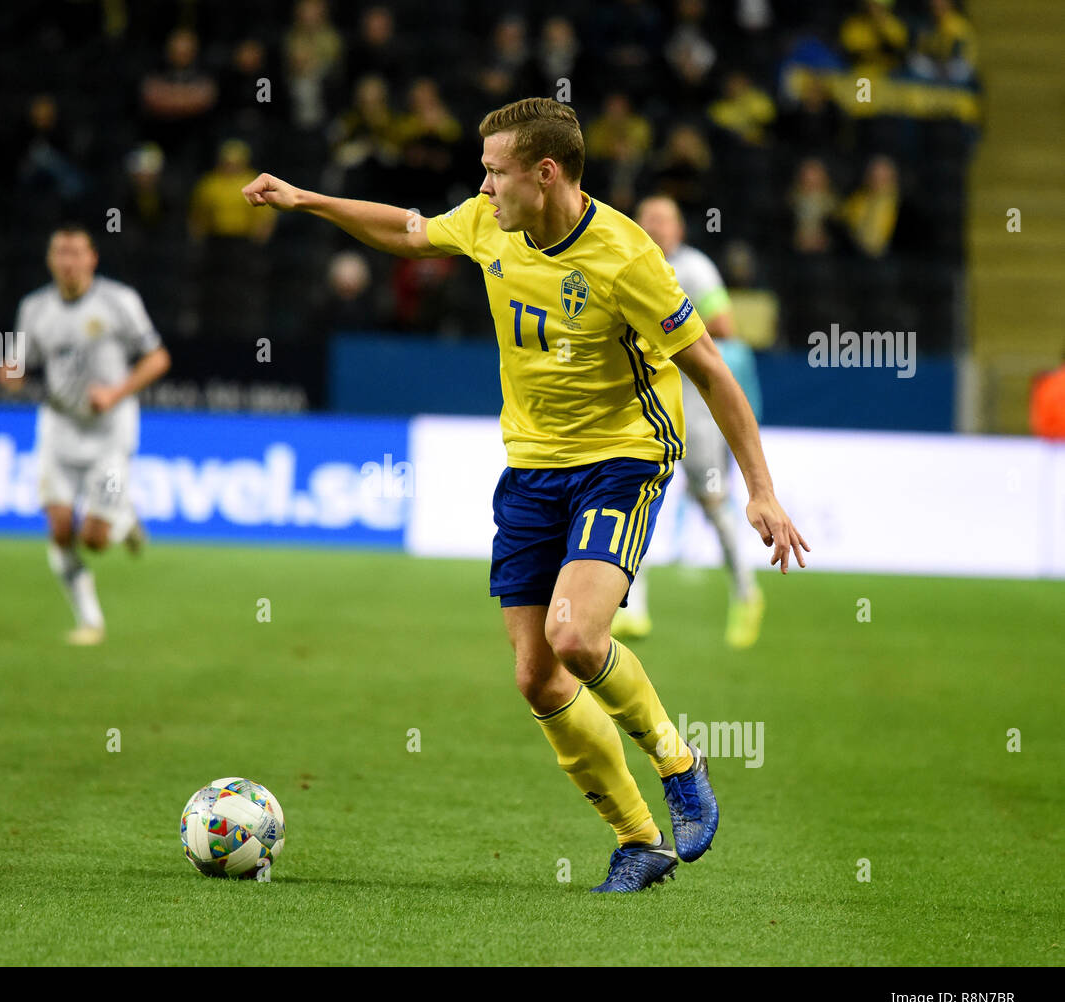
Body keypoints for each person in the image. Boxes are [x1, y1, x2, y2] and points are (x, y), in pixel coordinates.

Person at [243, 98, 809, 892]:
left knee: (576, 638)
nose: (482, 187)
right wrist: (307, 199)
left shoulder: (627, 256)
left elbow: (711, 370)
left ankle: (678, 762)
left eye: (495, 172)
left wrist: (761, 490)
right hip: (532, 469)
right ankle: (640, 841)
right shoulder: (489, 223)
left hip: (623, 457)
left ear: (545, 174)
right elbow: (407, 232)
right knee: (538, 677)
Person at [0, 225, 171, 645]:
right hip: (59, 426)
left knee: (93, 539)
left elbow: (157, 359)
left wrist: (115, 392)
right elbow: (18, 363)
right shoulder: (35, 307)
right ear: (50, 260)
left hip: (111, 428)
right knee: (59, 528)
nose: (68, 261)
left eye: (76, 253)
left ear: (92, 259)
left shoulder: (119, 301)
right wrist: (10, 373)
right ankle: (90, 620)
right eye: (60, 252)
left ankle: (124, 517)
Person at [612, 195, 766, 648]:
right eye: (648, 219)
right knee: (631, 500)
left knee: (713, 503)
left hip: (694, 411)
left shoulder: (695, 269)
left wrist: (669, 326)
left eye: (664, 220)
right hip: (644, 404)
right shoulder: (627, 261)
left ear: (679, 229)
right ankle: (632, 609)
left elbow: (724, 322)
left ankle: (746, 592)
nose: (655, 227)